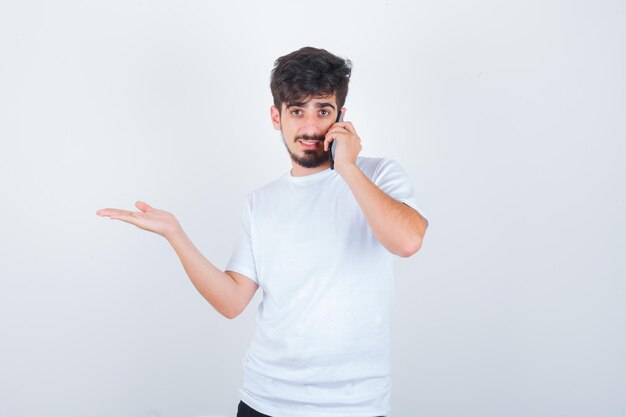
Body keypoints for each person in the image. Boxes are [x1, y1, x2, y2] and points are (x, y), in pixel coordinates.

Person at [96, 46, 428, 417]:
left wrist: (347, 167)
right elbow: (232, 302)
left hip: (355, 407)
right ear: (276, 116)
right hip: (265, 402)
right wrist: (176, 234)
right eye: (297, 110)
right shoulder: (261, 202)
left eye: (323, 110)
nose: (309, 127)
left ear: (341, 117)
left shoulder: (378, 175)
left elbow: (408, 241)